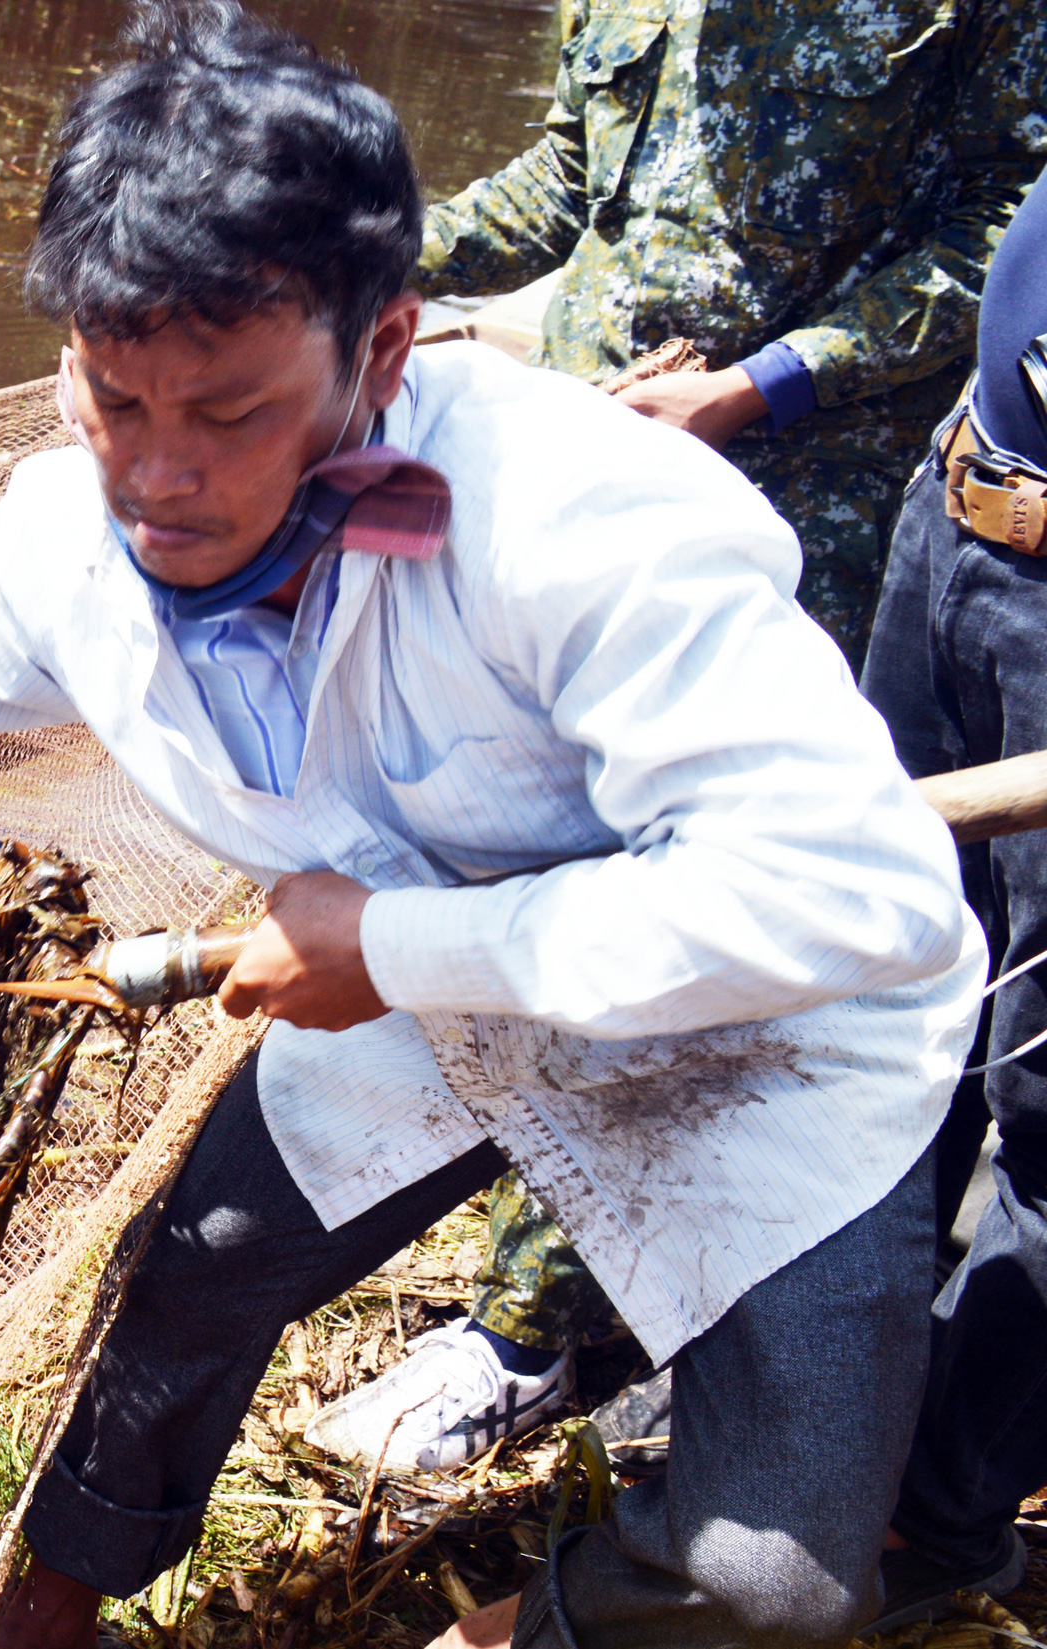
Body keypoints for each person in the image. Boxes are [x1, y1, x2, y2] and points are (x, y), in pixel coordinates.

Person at [0, 7, 983, 1645]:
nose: (157, 478)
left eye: (226, 410)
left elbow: (868, 903)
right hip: (428, 991)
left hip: (756, 1032)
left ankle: (524, 1626)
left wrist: (393, 943)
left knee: (768, 1589)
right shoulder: (66, 540)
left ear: (384, 349)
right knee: (193, 1257)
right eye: (113, 394)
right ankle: (39, 1609)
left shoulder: (587, 528)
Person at [333, 0, 1047, 1465]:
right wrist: (353, 251)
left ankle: (534, 1331)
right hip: (580, 482)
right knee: (515, 846)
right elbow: (575, 179)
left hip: (800, 513)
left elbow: (1002, 232)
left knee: (669, 906)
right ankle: (578, 1260)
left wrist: (755, 387)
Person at [858, 167, 1047, 1630]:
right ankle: (831, 1379)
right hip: (960, 507)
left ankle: (937, 1526)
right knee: (875, 977)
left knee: (1044, 1107)